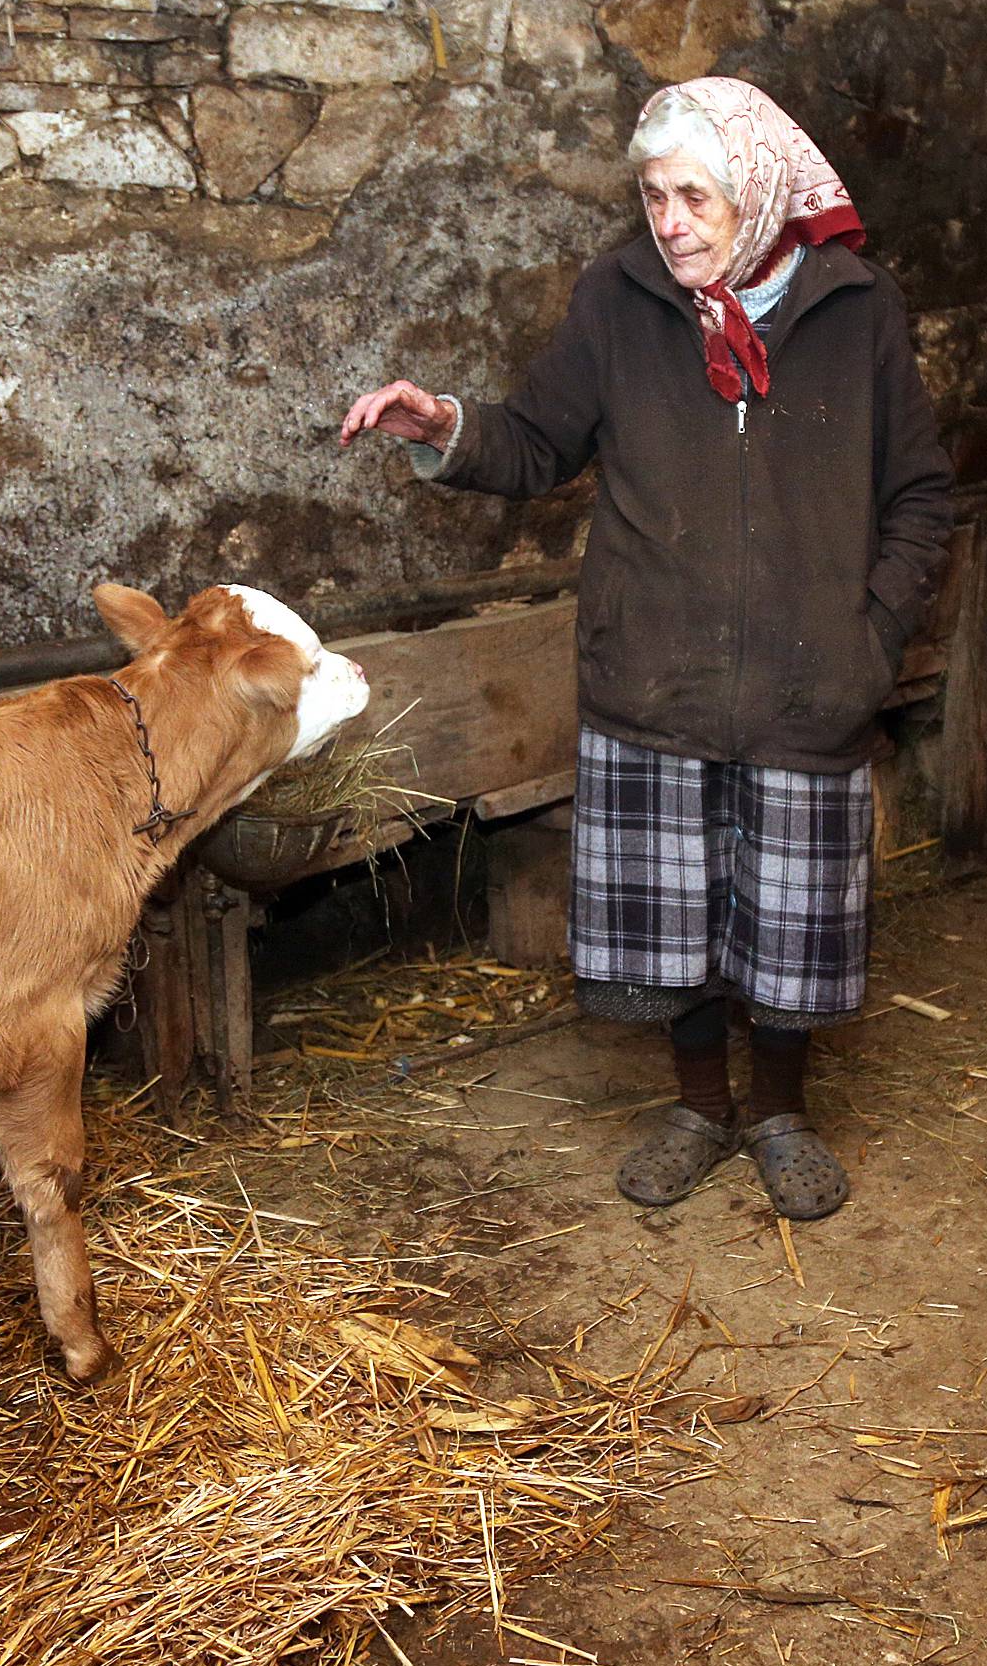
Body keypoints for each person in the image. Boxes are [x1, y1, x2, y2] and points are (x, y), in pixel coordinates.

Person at [341, 76, 953, 1221]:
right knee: (677, 920)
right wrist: (448, 431)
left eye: (693, 197)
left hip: (809, 679)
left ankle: (778, 1113)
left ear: (758, 194)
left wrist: (870, 635)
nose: (668, 222)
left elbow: (920, 492)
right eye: (653, 196)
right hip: (655, 670)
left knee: (786, 919)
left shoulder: (857, 310)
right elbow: (535, 441)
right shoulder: (619, 298)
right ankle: (697, 1107)